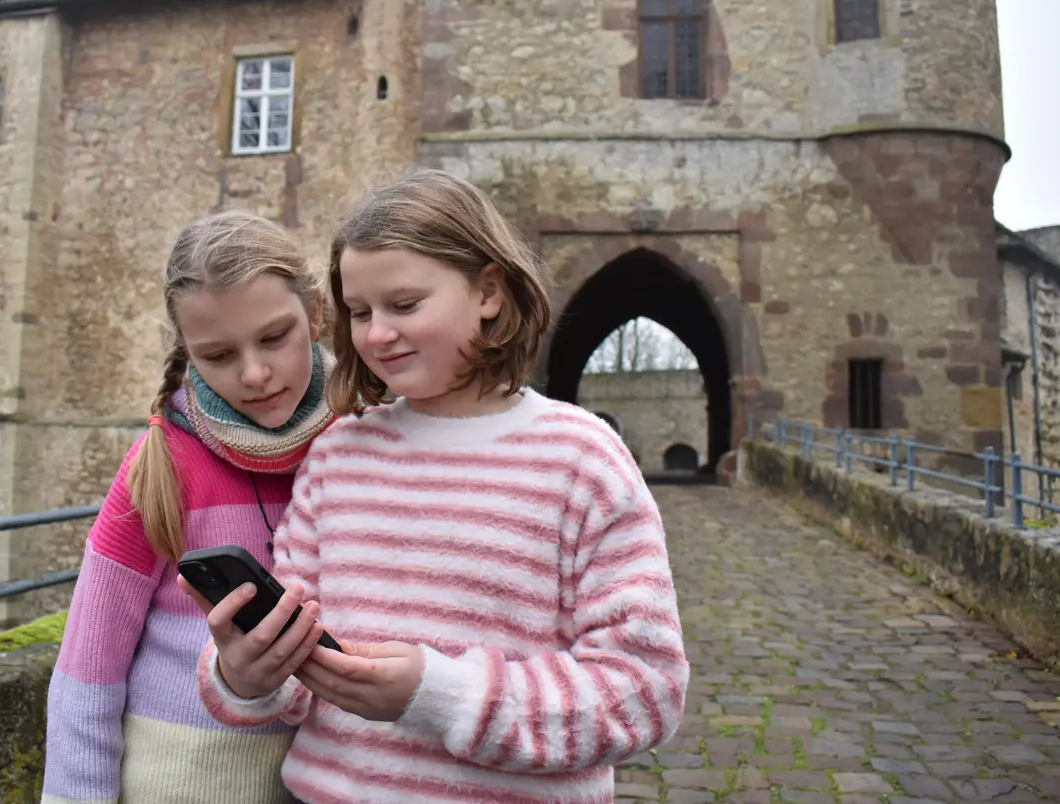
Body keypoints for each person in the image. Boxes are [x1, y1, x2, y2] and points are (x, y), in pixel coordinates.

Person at [181, 169, 690, 803]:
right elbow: (291, 667)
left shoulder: (581, 459)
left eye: (405, 305)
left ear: (489, 292)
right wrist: (244, 672)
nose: (376, 334)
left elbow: (644, 692)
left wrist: (443, 696)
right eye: (360, 312)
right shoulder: (338, 455)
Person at [42, 211, 336, 804]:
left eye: (275, 337)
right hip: (177, 784)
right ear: (187, 352)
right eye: (218, 355)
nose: (255, 373)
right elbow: (86, 671)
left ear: (316, 312)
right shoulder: (159, 468)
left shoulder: (365, 444)